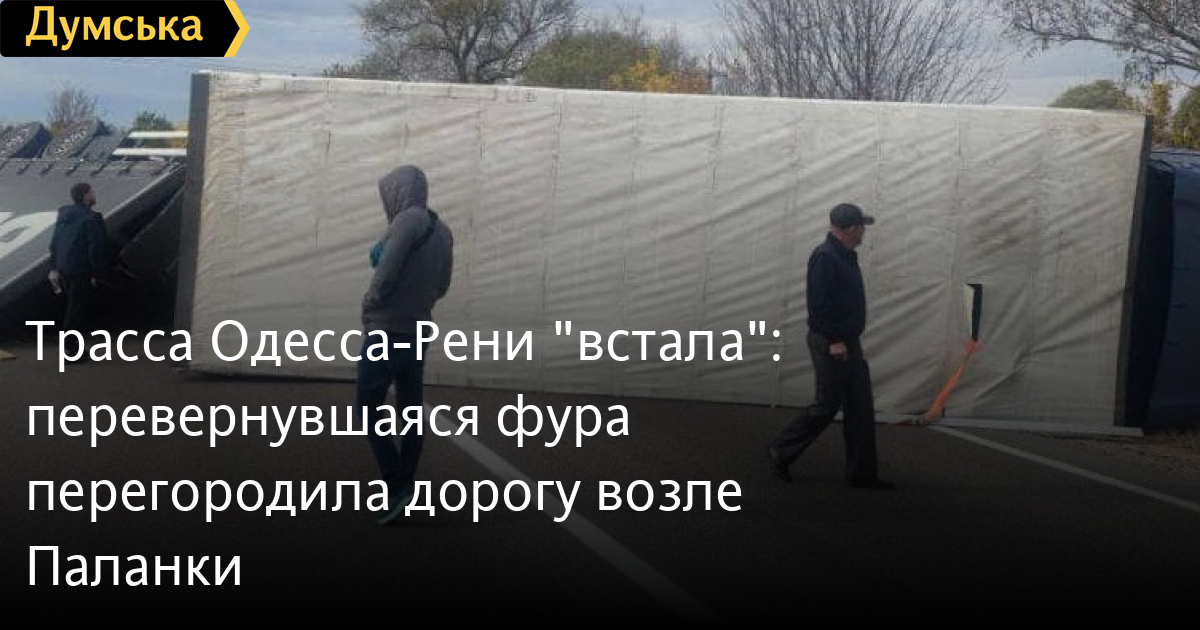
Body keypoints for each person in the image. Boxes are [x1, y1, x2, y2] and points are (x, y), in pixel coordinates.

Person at [767, 203, 893, 490]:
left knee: (860, 407)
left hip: (848, 341)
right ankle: (780, 449)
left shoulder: (845, 256)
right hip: (831, 341)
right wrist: (834, 340)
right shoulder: (825, 257)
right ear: (848, 229)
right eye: (860, 228)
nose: (863, 233)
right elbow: (819, 304)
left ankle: (862, 473)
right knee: (826, 406)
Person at [356, 165, 454, 524]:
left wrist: (370, 305)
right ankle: (405, 484)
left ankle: (398, 487)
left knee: (367, 409)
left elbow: (386, 274)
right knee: (411, 411)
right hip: (417, 332)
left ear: (396, 192)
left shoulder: (404, 222)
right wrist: (418, 303)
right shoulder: (442, 231)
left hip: (386, 330)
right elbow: (442, 286)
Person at [48, 182, 108, 359]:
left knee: (73, 308)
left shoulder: (64, 216)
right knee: (76, 311)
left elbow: (53, 243)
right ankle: (71, 349)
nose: (94, 195)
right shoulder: (91, 219)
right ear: (86, 196)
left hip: (64, 268)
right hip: (81, 269)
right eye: (92, 192)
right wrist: (97, 272)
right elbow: (96, 247)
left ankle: (74, 348)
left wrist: (54, 267)